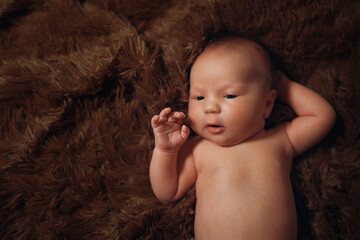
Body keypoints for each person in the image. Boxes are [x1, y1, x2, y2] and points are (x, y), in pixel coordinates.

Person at [149, 34, 336, 239]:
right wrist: (165, 151)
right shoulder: (197, 149)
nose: (210, 107)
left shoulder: (280, 140)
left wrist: (284, 85)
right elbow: (167, 191)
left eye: (229, 95)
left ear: (267, 104)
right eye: (199, 97)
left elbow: (322, 116)